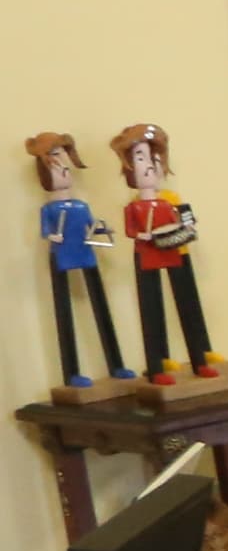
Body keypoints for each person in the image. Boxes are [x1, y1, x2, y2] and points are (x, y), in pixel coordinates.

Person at [111, 124, 226, 386]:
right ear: (129, 166)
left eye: (153, 158)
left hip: (172, 251)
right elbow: (131, 230)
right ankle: (156, 367)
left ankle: (199, 360)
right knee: (150, 307)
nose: (150, 165)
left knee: (185, 304)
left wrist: (184, 225)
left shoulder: (167, 202)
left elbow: (183, 219)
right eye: (141, 158)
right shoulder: (134, 206)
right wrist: (143, 235)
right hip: (147, 256)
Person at [29, 133, 122, 396]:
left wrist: (103, 230)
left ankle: (116, 364)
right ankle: (72, 370)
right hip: (62, 255)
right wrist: (52, 235)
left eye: (66, 167)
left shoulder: (81, 205)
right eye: (57, 167)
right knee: (64, 312)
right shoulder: (49, 209)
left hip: (85, 251)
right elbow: (45, 230)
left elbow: (91, 226)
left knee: (100, 305)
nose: (65, 172)